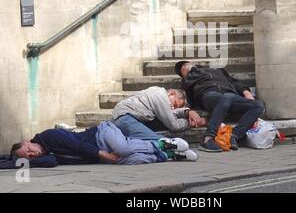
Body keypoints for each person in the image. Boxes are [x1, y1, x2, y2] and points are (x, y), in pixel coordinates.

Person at [10, 120, 198, 168]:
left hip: (102, 134)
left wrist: (105, 155)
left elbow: (79, 147)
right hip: (101, 152)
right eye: (29, 157)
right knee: (132, 161)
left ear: (28, 141)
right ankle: (168, 155)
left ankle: (162, 144)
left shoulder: (49, 136)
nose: (32, 154)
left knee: (122, 149)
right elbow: (49, 163)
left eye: (28, 150)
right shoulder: (49, 157)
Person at [175, 61, 265, 152]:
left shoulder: (218, 70)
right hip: (209, 95)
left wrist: (246, 92)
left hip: (231, 95)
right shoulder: (188, 78)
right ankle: (208, 138)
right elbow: (188, 96)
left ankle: (233, 136)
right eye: (182, 70)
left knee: (258, 105)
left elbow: (235, 82)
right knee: (225, 98)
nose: (184, 69)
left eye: (185, 66)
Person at [112, 87, 206, 141]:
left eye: (176, 107)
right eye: (175, 104)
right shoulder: (161, 96)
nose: (172, 108)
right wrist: (190, 123)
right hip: (126, 118)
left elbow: (170, 114)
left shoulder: (157, 92)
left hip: (128, 117)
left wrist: (187, 112)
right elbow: (174, 125)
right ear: (171, 94)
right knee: (158, 140)